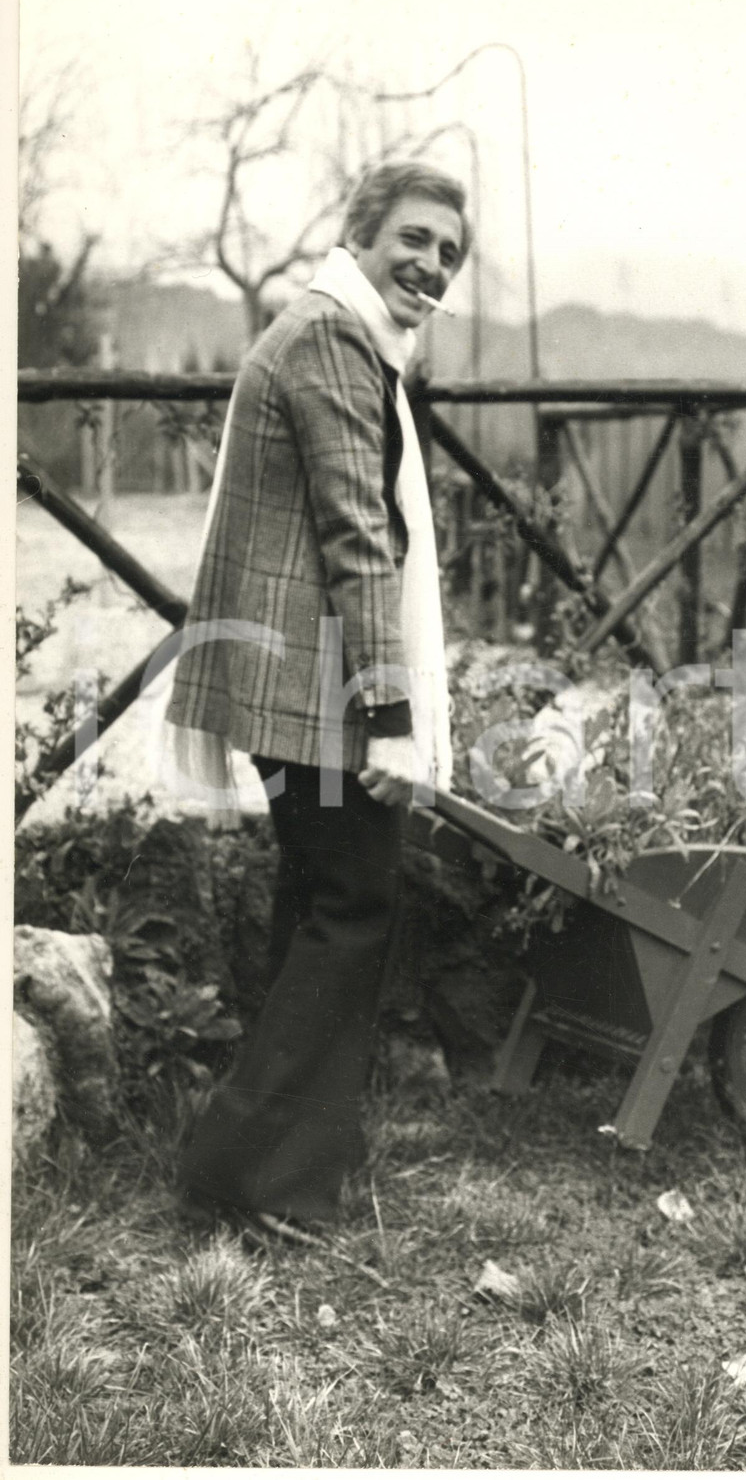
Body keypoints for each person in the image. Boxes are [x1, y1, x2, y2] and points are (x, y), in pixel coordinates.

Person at [163, 161, 472, 1244]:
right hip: (315, 685)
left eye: (448, 251)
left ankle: (265, 1162)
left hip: (292, 678)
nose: (432, 264)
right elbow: (356, 536)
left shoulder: (335, 329)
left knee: (321, 905)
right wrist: (391, 715)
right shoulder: (336, 338)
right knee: (354, 911)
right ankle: (255, 1172)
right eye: (416, 238)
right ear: (361, 234)